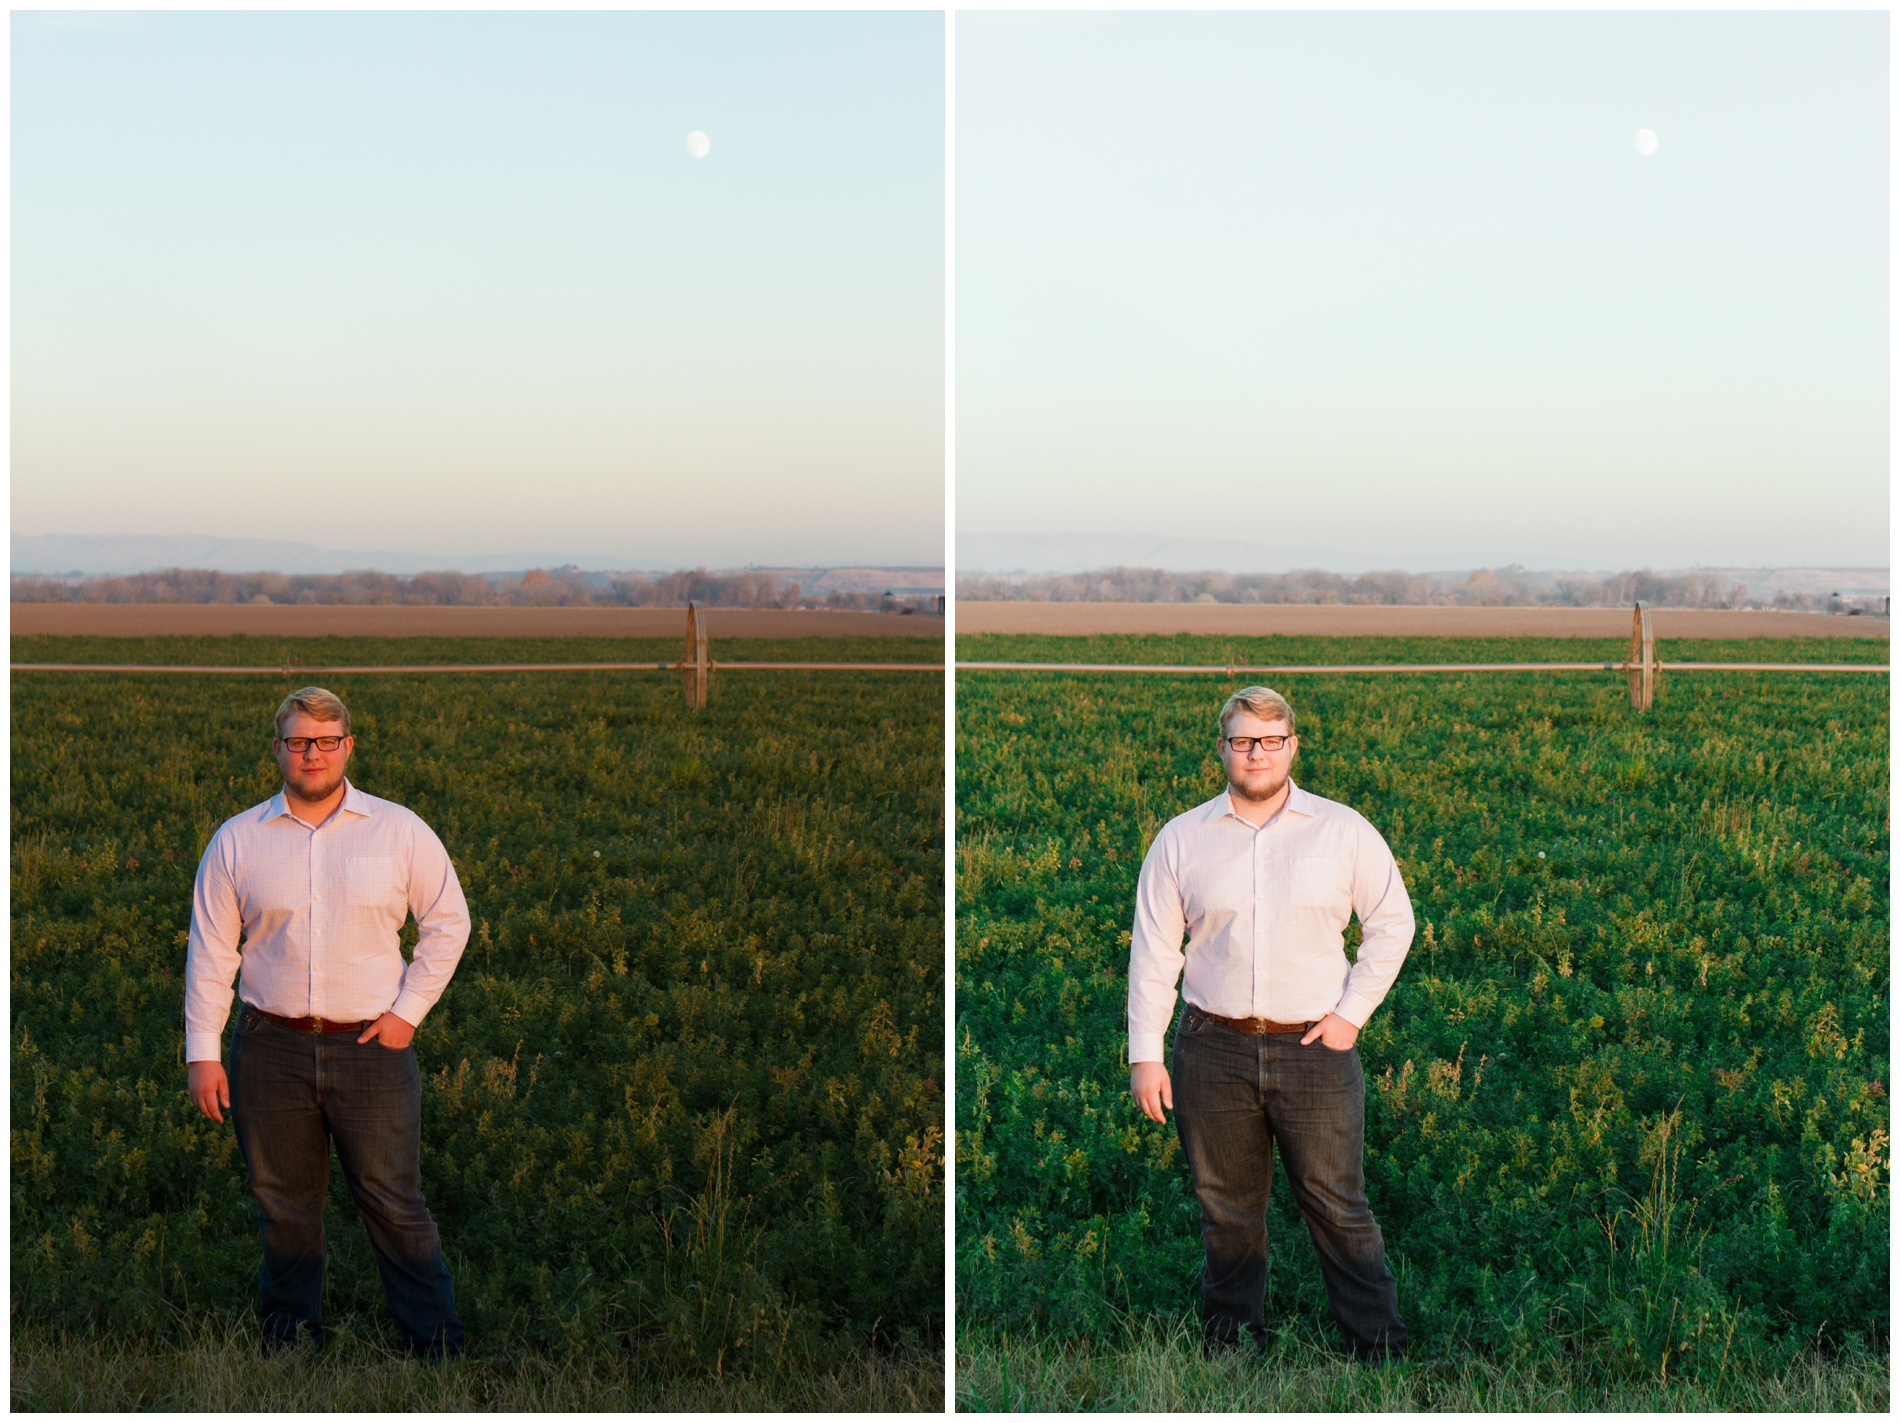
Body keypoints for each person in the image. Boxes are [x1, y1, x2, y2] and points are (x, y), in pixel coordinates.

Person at [1127, 685, 1413, 1361]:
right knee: (1226, 1209)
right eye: (1243, 740)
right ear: (1222, 748)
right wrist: (1146, 1053)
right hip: (1212, 1046)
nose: (1257, 753)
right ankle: (1232, 1347)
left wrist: (1349, 1016)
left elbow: (1392, 923)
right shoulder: (1182, 838)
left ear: (1292, 747)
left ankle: (1377, 1349)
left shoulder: (1342, 831)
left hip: (1314, 1048)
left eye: (1271, 740)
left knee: (1337, 1203)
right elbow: (1154, 951)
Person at [185, 686, 469, 1358]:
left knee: (395, 1203)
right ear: (277, 748)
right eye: (297, 740)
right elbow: (210, 951)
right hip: (269, 1048)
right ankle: (289, 1346)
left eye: (324, 740)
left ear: (348, 747)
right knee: (284, 1209)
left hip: (371, 1048)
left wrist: (406, 1014)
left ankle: (433, 1348)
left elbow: (448, 922)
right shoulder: (238, 839)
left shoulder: (399, 831)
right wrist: (203, 1052)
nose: (311, 753)